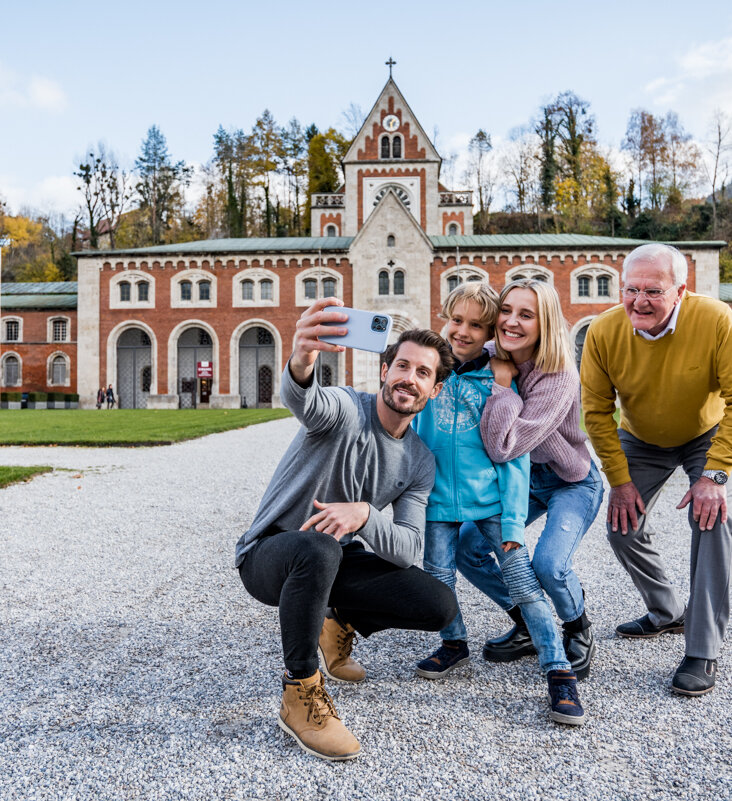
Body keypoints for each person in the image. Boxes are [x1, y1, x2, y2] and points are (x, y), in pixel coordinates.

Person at [235, 297, 459, 761]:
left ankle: (339, 622)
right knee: (318, 549)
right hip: (270, 554)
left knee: (438, 605)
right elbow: (305, 400)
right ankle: (301, 691)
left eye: (423, 373)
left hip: (332, 554)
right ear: (383, 370)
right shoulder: (345, 410)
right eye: (402, 365)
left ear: (435, 390)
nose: (408, 378)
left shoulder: (419, 462)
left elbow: (407, 548)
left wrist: (365, 514)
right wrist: (302, 359)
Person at [412, 281, 585, 726]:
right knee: (438, 578)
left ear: (489, 335)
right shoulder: (430, 372)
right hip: (437, 504)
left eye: (476, 325)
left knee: (526, 582)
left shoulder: (498, 381)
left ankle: (558, 669)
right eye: (456, 320)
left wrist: (512, 523)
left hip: (492, 504)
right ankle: (453, 642)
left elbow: (513, 460)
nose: (463, 331)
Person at [581, 242, 732, 696]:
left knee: (712, 519)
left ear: (680, 291)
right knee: (622, 526)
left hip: (705, 433)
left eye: (653, 291)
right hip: (642, 437)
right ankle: (666, 611)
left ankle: (703, 647)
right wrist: (620, 482)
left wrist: (715, 475)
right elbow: (596, 412)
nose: (639, 301)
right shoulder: (604, 332)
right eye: (630, 289)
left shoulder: (716, 320)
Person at [469, 278, 604, 681]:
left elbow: (505, 446)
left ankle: (577, 627)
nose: (510, 321)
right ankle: (528, 621)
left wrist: (503, 384)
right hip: (522, 481)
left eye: (525, 315)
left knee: (548, 565)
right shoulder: (489, 352)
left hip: (570, 480)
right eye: (506, 311)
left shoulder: (557, 374)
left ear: (544, 323)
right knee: (466, 549)